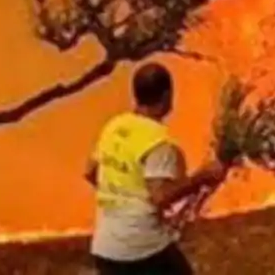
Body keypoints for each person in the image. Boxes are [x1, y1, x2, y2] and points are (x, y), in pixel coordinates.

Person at [86, 62, 226, 275]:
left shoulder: (114, 126)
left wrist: (121, 196)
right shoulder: (159, 142)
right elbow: (161, 196)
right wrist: (203, 177)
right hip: (141, 248)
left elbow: (90, 171)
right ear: (167, 96)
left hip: (105, 247)